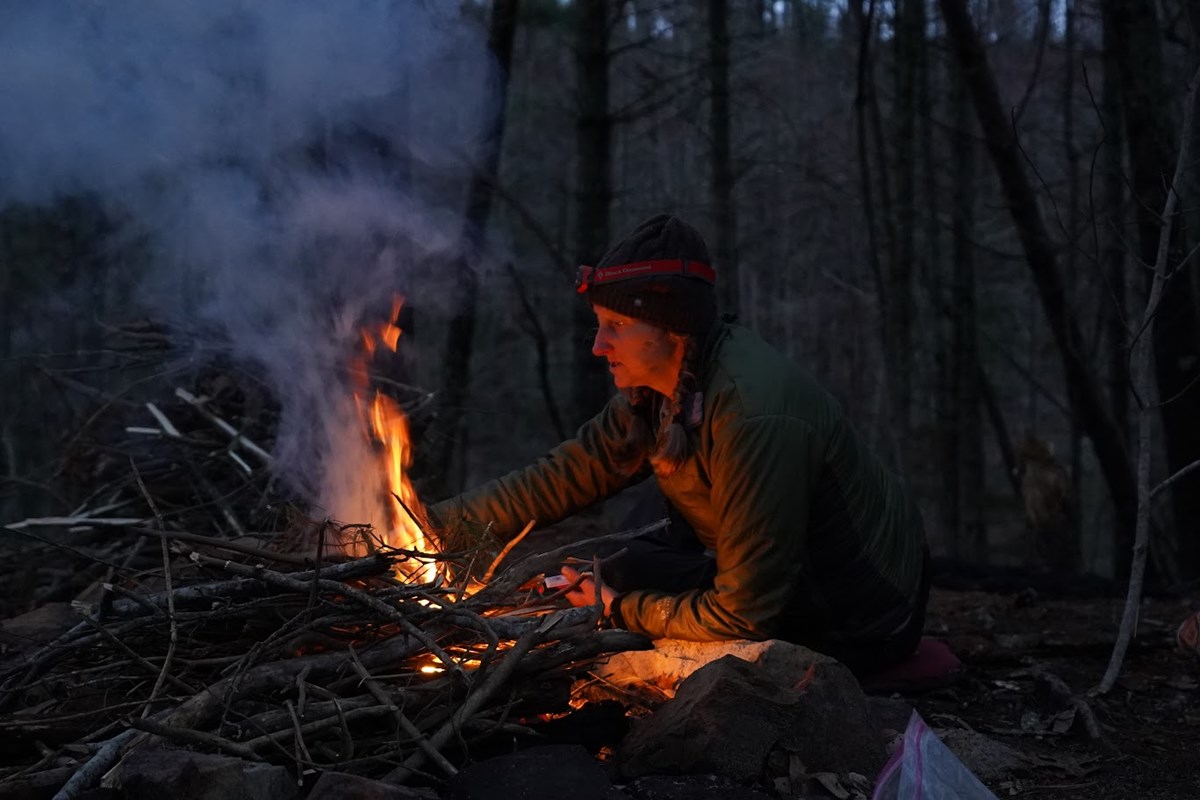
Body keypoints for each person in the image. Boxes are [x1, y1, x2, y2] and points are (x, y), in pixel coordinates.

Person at [430, 214, 930, 677]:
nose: (598, 346)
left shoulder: (750, 415)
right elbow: (570, 471)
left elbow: (743, 613)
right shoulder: (665, 385)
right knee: (610, 558)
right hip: (810, 573)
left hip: (863, 618)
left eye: (617, 327)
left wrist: (617, 606)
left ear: (675, 328)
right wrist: (431, 527)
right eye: (599, 325)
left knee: (609, 588)